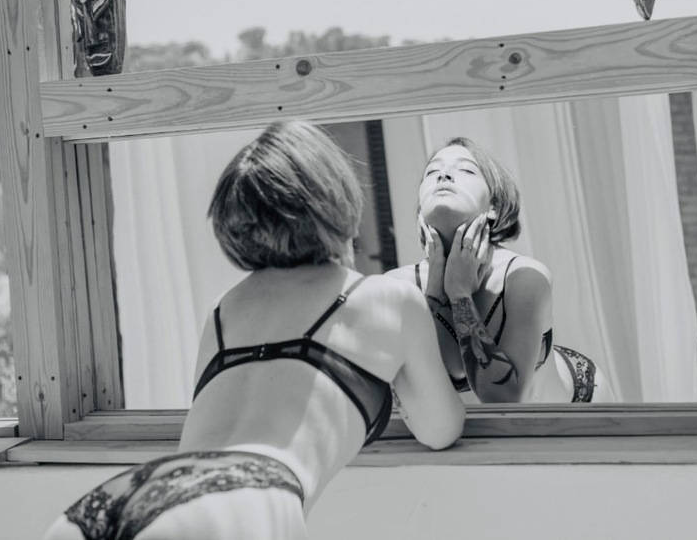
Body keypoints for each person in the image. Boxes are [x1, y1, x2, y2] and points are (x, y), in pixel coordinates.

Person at [44, 121, 465, 540]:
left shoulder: (223, 311)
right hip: (241, 500)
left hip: (126, 494)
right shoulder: (387, 298)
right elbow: (440, 429)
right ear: (336, 199)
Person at [387, 137, 614, 404]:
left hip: (576, 400)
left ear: (493, 206)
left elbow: (505, 399)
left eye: (466, 170)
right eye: (432, 171)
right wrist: (434, 295)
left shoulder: (525, 277)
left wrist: (459, 293)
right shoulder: (396, 286)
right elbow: (401, 398)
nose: (443, 175)